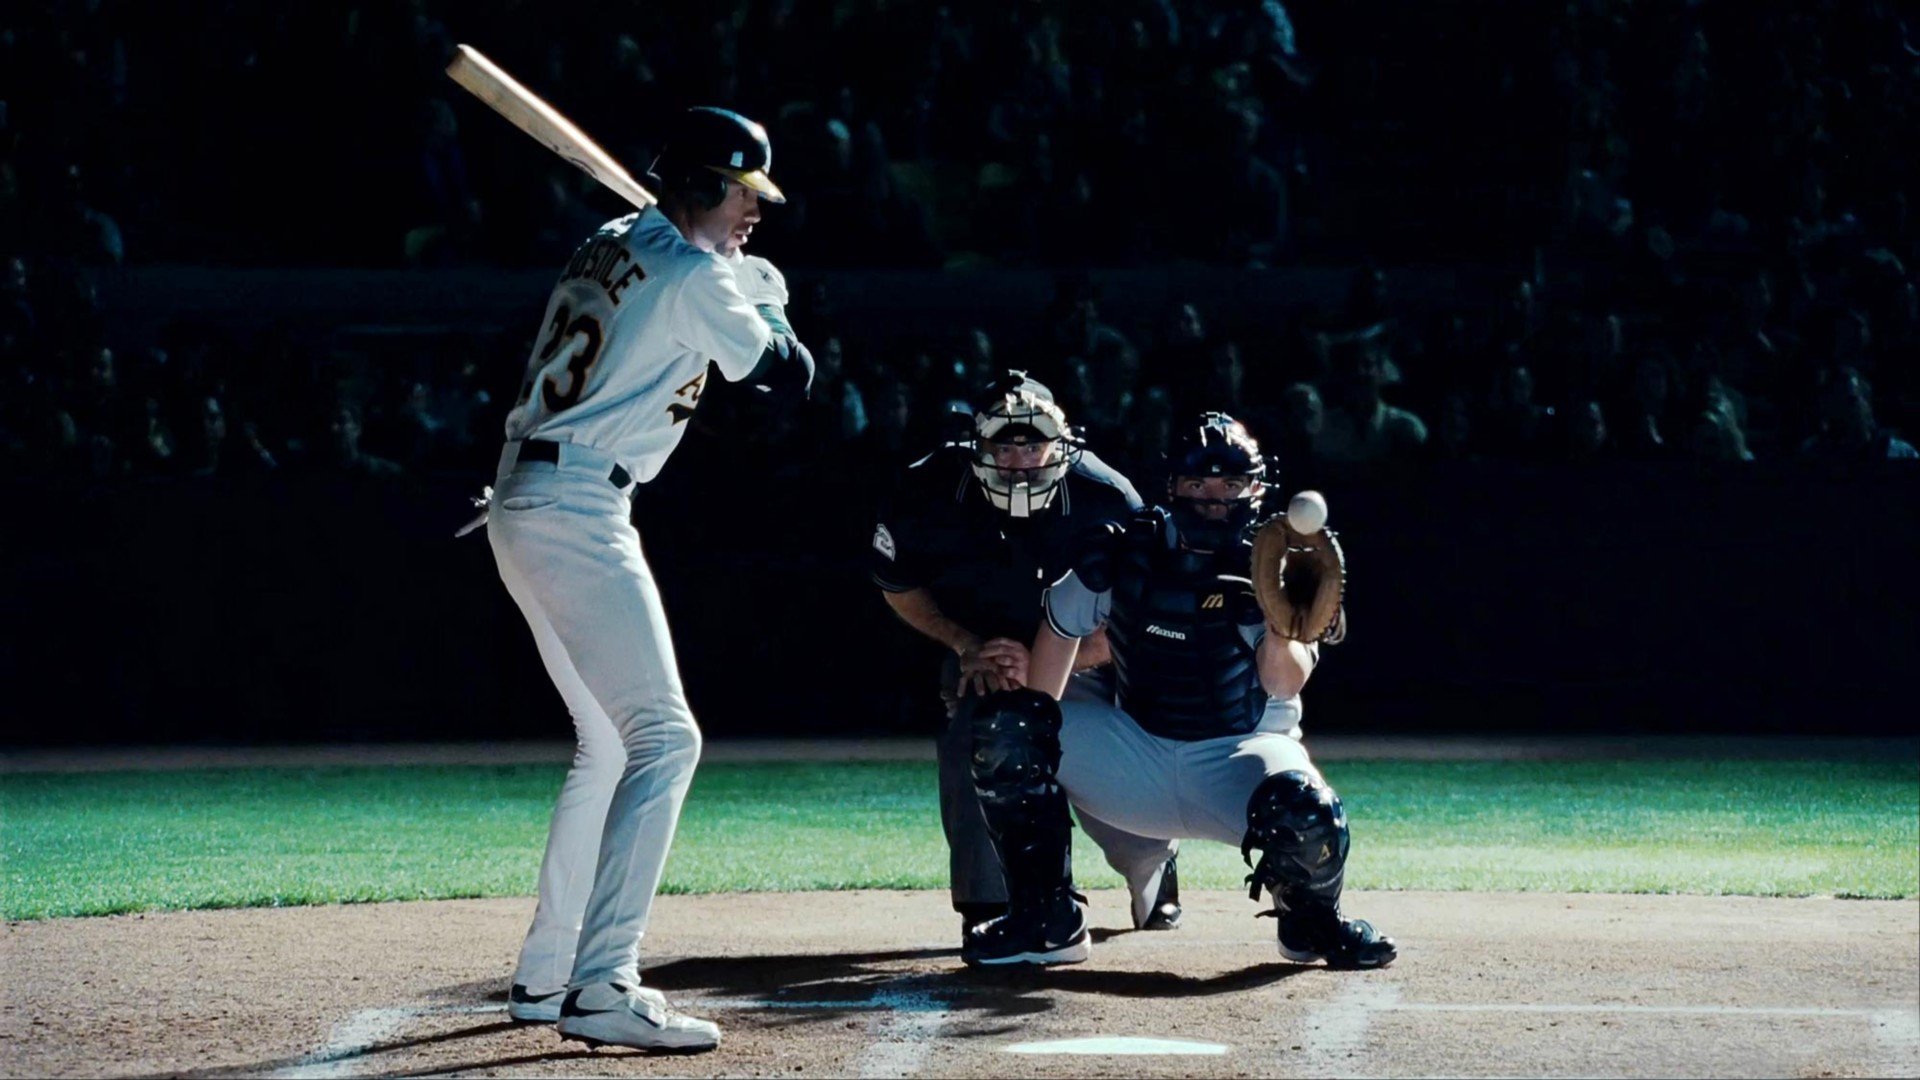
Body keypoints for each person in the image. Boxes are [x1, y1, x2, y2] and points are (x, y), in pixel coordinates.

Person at [478, 107, 812, 1052]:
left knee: (608, 745)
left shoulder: (611, 237)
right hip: (576, 507)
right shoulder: (693, 274)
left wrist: (729, 272)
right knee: (665, 741)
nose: (754, 213)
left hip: (527, 494)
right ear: (701, 186)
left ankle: (548, 974)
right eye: (742, 193)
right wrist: (767, 299)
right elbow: (786, 376)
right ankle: (603, 983)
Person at [959, 413, 1396, 970]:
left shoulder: (1286, 567)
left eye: (1230, 485)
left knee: (1308, 811)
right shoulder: (1120, 553)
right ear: (1172, 487)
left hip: (1238, 759)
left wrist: (1277, 617)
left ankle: (1311, 925)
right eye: (1197, 484)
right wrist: (1029, 746)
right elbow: (1044, 690)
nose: (1214, 501)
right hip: (1133, 753)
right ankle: (1045, 921)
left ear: (1255, 488)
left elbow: (1282, 682)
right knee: (1010, 726)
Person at [870, 372, 1184, 945]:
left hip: (1091, 657)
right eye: (1005, 446)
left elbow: (1145, 618)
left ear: (1061, 443)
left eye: (1032, 445)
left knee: (1108, 762)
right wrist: (964, 643)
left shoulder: (1107, 497)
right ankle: (995, 901)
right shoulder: (928, 487)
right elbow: (898, 584)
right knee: (980, 735)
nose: (1019, 463)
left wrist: (1050, 661)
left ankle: (1149, 862)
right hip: (984, 655)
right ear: (977, 445)